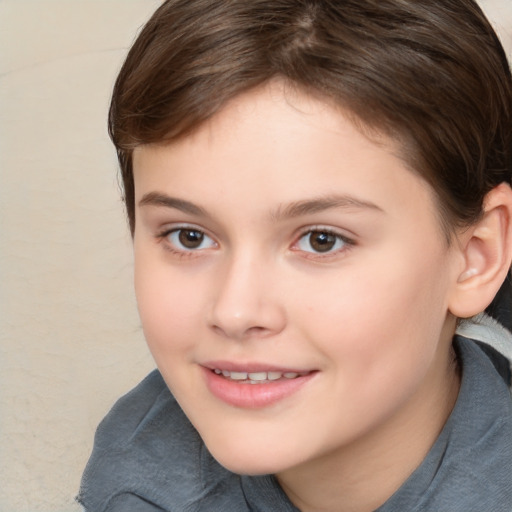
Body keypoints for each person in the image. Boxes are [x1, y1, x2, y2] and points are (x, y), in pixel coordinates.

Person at [78, 1, 512, 510]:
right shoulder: (140, 474)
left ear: (475, 257)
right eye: (189, 236)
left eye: (321, 240)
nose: (235, 312)